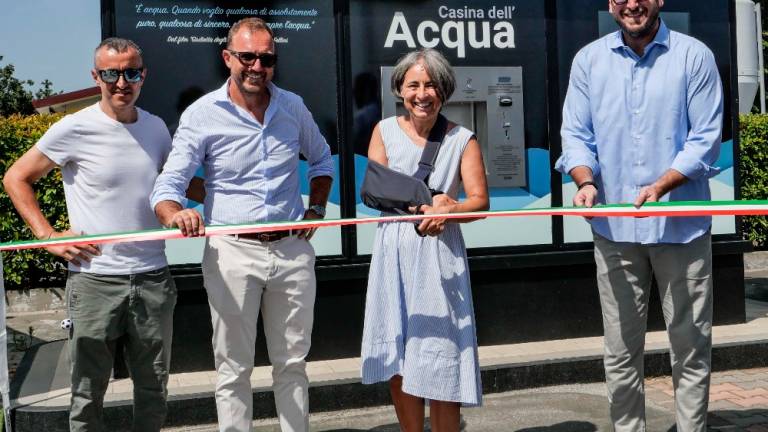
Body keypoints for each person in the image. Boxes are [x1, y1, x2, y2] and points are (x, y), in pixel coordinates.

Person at [150, 17, 334, 432]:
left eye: (266, 58)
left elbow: (322, 161)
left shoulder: (292, 106)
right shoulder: (202, 114)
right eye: (247, 56)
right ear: (227, 57)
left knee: (293, 363)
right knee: (233, 367)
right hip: (231, 252)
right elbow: (169, 183)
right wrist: (174, 212)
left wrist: (317, 210)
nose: (257, 66)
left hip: (291, 251)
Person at [555, 1, 723, 430]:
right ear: (610, 4)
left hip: (680, 229)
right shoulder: (589, 61)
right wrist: (585, 181)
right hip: (615, 231)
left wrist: (662, 185)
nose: (633, 4)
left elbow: (706, 138)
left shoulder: (693, 56)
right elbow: (576, 133)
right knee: (620, 351)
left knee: (690, 348)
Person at [3, 38, 177, 431]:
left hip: (153, 279)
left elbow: (178, 186)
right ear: (95, 76)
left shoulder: (156, 129)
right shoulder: (74, 127)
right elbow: (16, 177)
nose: (122, 82)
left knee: (154, 390)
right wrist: (47, 236)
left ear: (143, 75)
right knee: (87, 392)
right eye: (111, 74)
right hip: (94, 281)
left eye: (131, 72)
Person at [360, 48, 489, 432]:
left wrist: (450, 207)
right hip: (393, 254)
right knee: (398, 357)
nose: (422, 93)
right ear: (400, 89)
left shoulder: (462, 139)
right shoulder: (382, 131)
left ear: (444, 91)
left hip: (439, 258)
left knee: (442, 354)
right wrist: (423, 200)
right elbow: (373, 189)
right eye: (413, 84)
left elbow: (480, 202)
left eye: (431, 85)